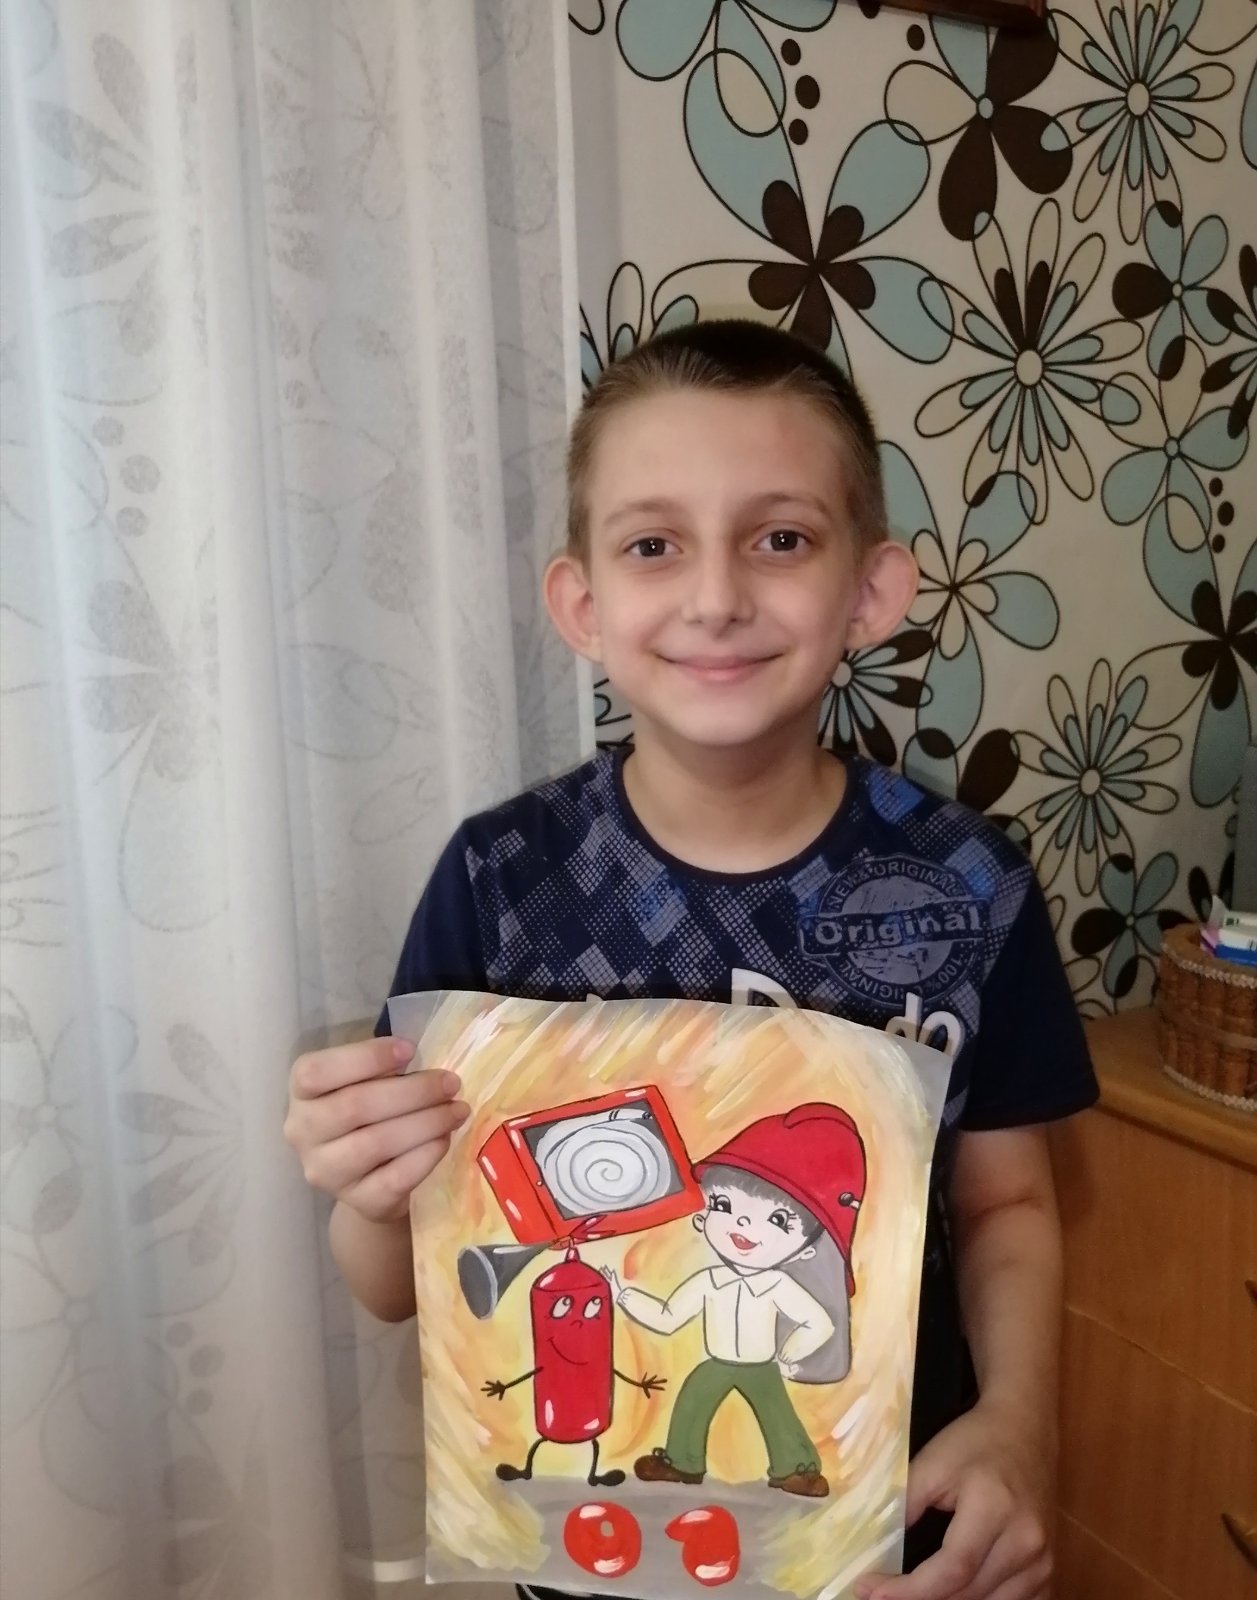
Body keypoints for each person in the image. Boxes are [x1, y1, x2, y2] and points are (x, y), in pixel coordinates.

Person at [284, 319, 1097, 1600]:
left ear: (871, 592)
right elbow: (395, 1286)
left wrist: (1022, 1426)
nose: (716, 596)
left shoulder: (968, 884)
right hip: (591, 1545)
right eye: (654, 545)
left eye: (781, 538)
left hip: (880, 1541)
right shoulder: (500, 884)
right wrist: (372, 1188)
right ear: (583, 604)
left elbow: (1009, 1206)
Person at [605, 1103, 866, 1500]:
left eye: (778, 1220)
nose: (743, 1225)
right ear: (701, 1216)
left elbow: (819, 1322)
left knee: (777, 1416)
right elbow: (668, 1316)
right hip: (717, 1362)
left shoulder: (777, 1285)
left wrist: (791, 1352)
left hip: (761, 1365)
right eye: (724, 1205)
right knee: (693, 1398)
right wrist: (624, 1295)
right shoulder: (709, 1281)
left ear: (808, 1249)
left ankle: (797, 1469)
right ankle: (682, 1461)